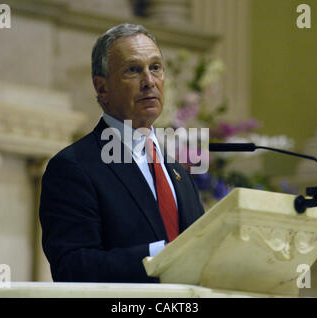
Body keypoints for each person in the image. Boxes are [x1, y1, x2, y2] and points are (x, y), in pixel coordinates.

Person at [39, 23, 205, 283]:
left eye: (155, 68)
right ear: (102, 88)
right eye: (133, 70)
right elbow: (72, 268)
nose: (149, 82)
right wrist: (161, 256)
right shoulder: (74, 167)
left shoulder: (177, 173)